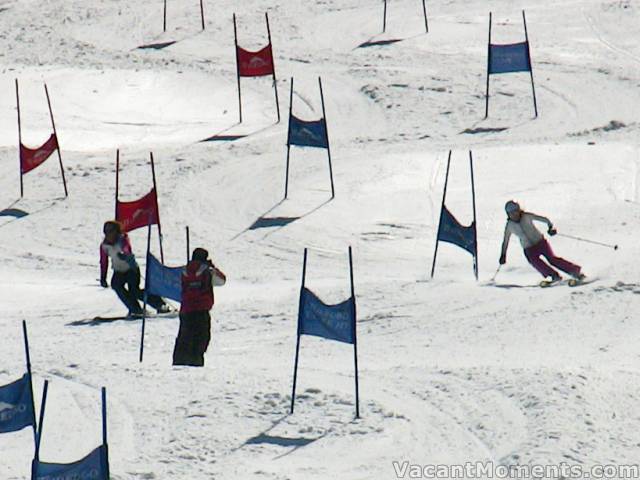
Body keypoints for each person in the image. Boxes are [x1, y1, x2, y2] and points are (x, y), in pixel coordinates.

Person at [499, 200, 585, 284]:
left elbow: (544, 219)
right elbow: (505, 241)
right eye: (511, 213)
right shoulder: (509, 225)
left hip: (540, 242)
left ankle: (575, 271)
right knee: (534, 261)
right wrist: (503, 254)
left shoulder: (527, 216)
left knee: (552, 259)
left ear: (519, 210)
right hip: (528, 248)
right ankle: (554, 276)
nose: (514, 215)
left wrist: (550, 227)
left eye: (515, 211)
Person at [100, 220, 170, 317]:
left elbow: (127, 249)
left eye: (110, 231)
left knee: (134, 291)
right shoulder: (104, 246)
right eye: (106, 231)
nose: (108, 234)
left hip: (131, 269)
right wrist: (103, 277)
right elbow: (104, 261)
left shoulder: (122, 239)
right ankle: (135, 309)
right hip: (119, 270)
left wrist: (125, 255)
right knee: (116, 285)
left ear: (116, 231)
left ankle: (159, 304)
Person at [173, 248, 226, 367]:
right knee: (200, 337)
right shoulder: (206, 270)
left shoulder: (185, 270)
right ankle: (195, 361)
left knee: (184, 337)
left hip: (186, 309)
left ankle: (179, 361)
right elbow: (222, 281)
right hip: (201, 309)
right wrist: (213, 267)